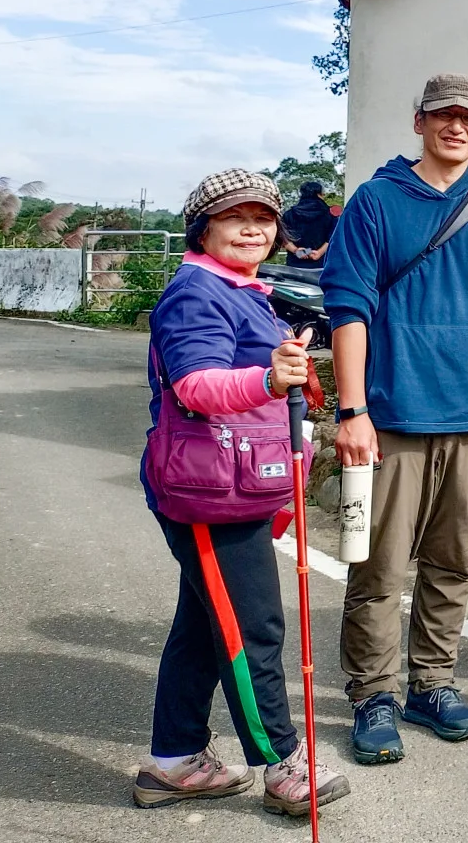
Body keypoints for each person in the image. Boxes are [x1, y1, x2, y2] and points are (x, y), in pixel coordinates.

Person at [322, 74, 468, 766]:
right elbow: (348, 310)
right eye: (443, 115)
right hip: (391, 417)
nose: (456, 127)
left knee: (454, 563)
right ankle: (374, 695)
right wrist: (351, 410)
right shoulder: (375, 203)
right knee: (380, 569)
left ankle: (433, 684)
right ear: (418, 121)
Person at [137, 169, 348, 815]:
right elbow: (196, 386)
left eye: (264, 217)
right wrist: (266, 377)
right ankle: (283, 765)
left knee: (205, 625)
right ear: (205, 229)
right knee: (253, 627)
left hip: (232, 486)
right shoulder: (197, 293)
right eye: (236, 218)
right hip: (210, 494)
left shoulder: (243, 289)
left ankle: (173, 761)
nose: (254, 228)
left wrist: (277, 373)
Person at [280, 180, 336, 269]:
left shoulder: (289, 214)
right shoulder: (331, 214)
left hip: (295, 265)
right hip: (322, 265)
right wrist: (319, 253)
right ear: (319, 194)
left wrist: (296, 251)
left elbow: (283, 237)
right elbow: (333, 237)